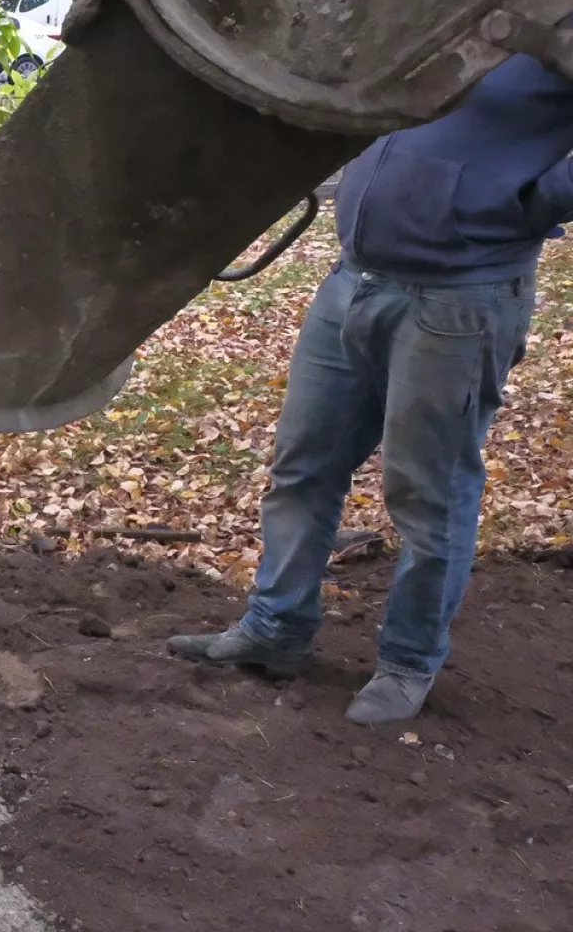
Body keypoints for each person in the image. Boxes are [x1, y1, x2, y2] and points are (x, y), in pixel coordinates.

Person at [168, 50, 573, 725]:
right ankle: (276, 628)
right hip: (354, 278)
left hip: (459, 297)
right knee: (302, 468)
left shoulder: (558, 15)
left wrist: (527, 201)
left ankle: (408, 662)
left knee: (427, 494)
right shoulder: (453, 1)